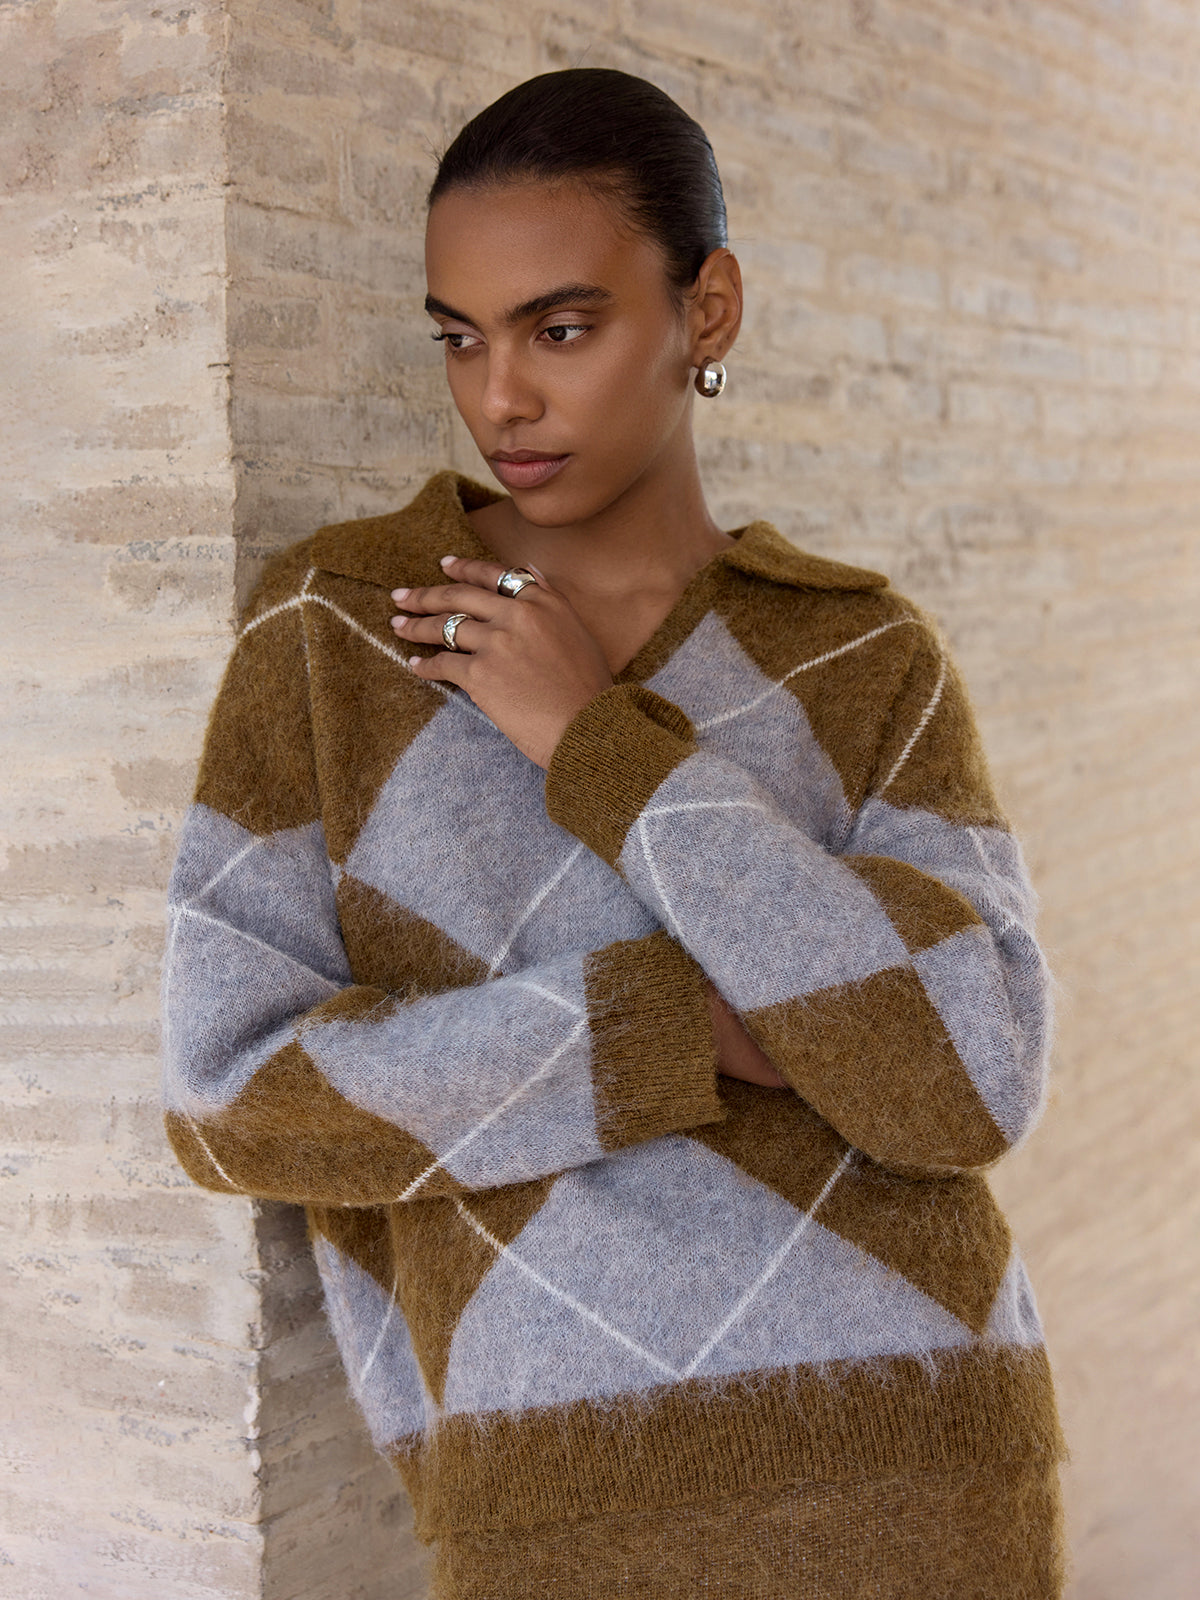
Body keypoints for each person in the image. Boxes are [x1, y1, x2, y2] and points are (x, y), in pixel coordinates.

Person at [161, 67, 1070, 1599]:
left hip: (927, 1456)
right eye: (462, 336)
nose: (500, 397)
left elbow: (970, 1074)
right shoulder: (340, 633)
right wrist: (666, 1028)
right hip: (551, 1502)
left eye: (561, 329)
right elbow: (230, 1098)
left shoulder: (861, 655)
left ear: (706, 311)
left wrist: (600, 746)